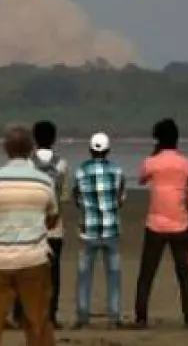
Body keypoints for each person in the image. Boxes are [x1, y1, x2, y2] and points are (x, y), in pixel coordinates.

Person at [0, 123, 59, 346]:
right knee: (37, 319)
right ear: (31, 149)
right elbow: (52, 216)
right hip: (34, 258)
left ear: (6, 150)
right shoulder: (44, 180)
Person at [133, 118, 188, 329]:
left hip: (156, 222)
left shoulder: (151, 162)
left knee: (147, 272)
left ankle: (141, 316)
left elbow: (142, 179)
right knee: (184, 273)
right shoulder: (187, 163)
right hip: (180, 222)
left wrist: (154, 154)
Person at [10, 120, 70, 329]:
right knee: (53, 275)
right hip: (54, 227)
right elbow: (64, 196)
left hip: (28, 227)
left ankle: (20, 314)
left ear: (34, 139)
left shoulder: (27, 164)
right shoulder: (62, 164)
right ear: (53, 139)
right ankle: (50, 315)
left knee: (24, 272)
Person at [72, 132, 125, 330]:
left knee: (84, 274)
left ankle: (83, 315)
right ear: (108, 150)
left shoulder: (80, 171)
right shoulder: (117, 171)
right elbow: (120, 198)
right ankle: (114, 315)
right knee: (113, 274)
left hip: (89, 229)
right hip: (111, 228)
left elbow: (76, 197)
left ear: (90, 150)